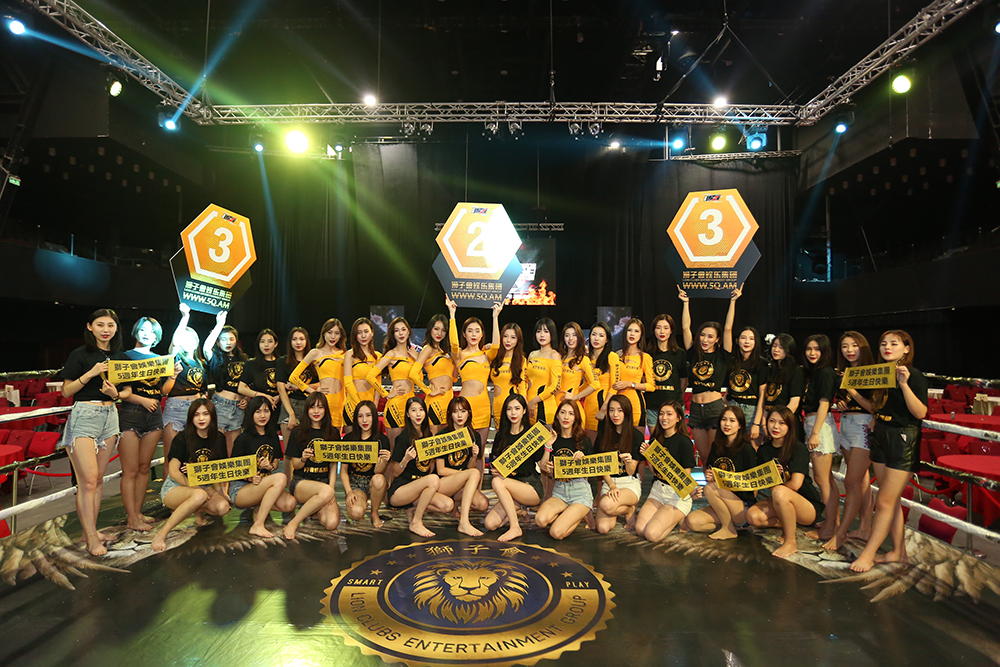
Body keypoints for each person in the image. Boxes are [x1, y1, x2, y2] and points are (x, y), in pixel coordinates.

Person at [850, 330, 928, 573]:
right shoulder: (880, 373)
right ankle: (898, 552)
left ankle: (869, 553)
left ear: (906, 348)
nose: (887, 347)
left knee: (884, 501)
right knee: (890, 501)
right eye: (883, 343)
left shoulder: (914, 375)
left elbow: (920, 413)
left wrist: (904, 385)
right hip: (881, 436)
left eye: (894, 343)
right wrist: (854, 394)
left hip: (903, 439)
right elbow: (877, 408)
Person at [60, 309, 129, 555]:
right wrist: (90, 373)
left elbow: (128, 391)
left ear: (116, 328)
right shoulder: (80, 354)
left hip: (110, 416)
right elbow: (66, 391)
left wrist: (116, 394)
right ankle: (91, 538)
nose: (105, 330)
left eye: (110, 325)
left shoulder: (121, 356)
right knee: (88, 481)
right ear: (90, 327)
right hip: (85, 416)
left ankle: (90, 531)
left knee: (98, 480)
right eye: (100, 325)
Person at [151, 398, 230, 551]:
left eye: (205, 414)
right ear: (191, 418)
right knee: (199, 495)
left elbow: (218, 471)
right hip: (176, 486)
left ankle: (198, 510)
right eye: (196, 415)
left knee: (222, 507)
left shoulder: (219, 438)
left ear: (212, 416)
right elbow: (174, 472)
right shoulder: (182, 438)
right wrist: (195, 486)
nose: (201, 418)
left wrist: (222, 492)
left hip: (203, 486)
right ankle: (161, 533)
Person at [823, 331, 877, 551]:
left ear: (863, 346)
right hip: (845, 424)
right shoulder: (842, 373)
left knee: (851, 482)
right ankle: (864, 528)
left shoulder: (873, 372)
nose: (849, 350)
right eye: (845, 346)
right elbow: (844, 400)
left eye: (854, 345)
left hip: (864, 426)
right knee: (861, 482)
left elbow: (874, 407)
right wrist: (841, 403)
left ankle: (841, 533)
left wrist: (852, 391)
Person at [747, 407, 824, 558]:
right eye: (772, 421)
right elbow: (762, 482)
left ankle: (790, 542)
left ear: (790, 426)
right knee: (752, 516)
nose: (775, 427)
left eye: (781, 423)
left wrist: (776, 483)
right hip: (780, 499)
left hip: (807, 507)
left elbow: (795, 484)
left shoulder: (798, 448)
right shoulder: (763, 450)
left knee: (779, 491)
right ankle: (787, 522)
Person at [679, 286, 738, 462]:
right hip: (696, 409)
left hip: (715, 408)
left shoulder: (722, 355)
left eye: (710, 336)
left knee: (716, 454)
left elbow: (728, 328)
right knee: (704, 456)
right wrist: (686, 303)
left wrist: (733, 301)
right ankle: (708, 482)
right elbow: (685, 327)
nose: (705, 339)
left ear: (717, 339)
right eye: (703, 335)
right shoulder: (694, 353)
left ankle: (718, 482)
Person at [117, 316, 165, 531]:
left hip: (154, 415)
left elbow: (161, 390)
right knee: (130, 470)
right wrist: (142, 400)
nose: (147, 334)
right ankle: (131, 518)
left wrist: (174, 375)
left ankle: (137, 512)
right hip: (131, 413)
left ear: (157, 337)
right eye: (143, 330)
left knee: (145, 467)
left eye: (152, 331)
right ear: (136, 331)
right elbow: (119, 391)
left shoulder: (160, 359)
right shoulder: (124, 357)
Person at [162, 304, 224, 464]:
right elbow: (175, 343)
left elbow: (203, 389)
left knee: (194, 455)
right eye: (184, 338)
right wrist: (185, 317)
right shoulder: (175, 358)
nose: (187, 342)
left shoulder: (200, 362)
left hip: (197, 410)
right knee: (172, 458)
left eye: (191, 338)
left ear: (197, 341)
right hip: (176, 408)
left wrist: (219, 324)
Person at [683, 406, 757, 540]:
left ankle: (728, 529)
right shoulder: (716, 446)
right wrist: (709, 476)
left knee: (710, 488)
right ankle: (733, 526)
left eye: (732, 421)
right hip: (722, 504)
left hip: (741, 506)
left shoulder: (747, 449)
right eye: (724, 420)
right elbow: (711, 472)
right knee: (692, 521)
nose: (727, 424)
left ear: (740, 425)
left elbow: (753, 485)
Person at [228, 397, 297, 538]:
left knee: (290, 503)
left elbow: (275, 463)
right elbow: (233, 470)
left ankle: (258, 505)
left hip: (263, 484)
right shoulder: (243, 438)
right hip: (241, 488)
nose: (262, 415)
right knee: (281, 478)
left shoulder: (272, 436)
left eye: (266, 411)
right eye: (258, 411)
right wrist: (249, 477)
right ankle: (258, 525)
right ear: (251, 413)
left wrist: (270, 466)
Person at [387, 396, 453, 537]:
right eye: (413, 410)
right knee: (433, 479)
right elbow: (395, 472)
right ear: (407, 414)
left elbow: (429, 466)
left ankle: (411, 508)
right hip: (401, 490)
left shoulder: (428, 435)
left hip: (420, 488)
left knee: (448, 505)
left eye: (421, 410)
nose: (418, 414)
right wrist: (405, 459)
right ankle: (416, 522)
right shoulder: (403, 438)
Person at [635, 400, 698, 542]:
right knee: (640, 529)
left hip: (676, 494)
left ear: (678, 418)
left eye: (669, 414)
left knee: (651, 534)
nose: (664, 418)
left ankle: (677, 517)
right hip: (658, 490)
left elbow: (686, 476)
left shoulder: (684, 442)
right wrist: (649, 457)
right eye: (661, 414)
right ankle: (668, 518)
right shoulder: (655, 439)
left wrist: (692, 491)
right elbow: (655, 472)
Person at [485, 394, 544, 542]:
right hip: (510, 490)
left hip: (530, 487)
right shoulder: (501, 435)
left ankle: (515, 527)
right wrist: (496, 470)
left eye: (517, 409)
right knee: (490, 524)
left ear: (524, 411)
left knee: (497, 482)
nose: (513, 413)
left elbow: (543, 465)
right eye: (509, 409)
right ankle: (520, 510)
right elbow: (495, 462)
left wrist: (548, 447)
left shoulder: (531, 435)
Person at [283, 392, 341, 540]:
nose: (316, 411)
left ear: (325, 410)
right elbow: (296, 466)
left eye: (320, 407)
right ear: (306, 409)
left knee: (331, 523)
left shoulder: (333, 433)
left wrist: (331, 490)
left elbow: (333, 466)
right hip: (302, 482)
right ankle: (293, 523)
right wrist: (303, 458)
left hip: (324, 485)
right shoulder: (298, 432)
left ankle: (314, 508)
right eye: (312, 407)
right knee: (325, 491)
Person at [536, 400, 594, 540]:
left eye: (571, 413)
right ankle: (570, 513)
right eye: (563, 413)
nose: (566, 417)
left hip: (580, 491)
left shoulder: (583, 440)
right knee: (540, 520)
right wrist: (548, 447)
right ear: (557, 416)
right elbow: (543, 467)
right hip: (559, 491)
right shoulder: (552, 438)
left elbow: (591, 470)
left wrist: (583, 459)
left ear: (575, 418)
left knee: (556, 533)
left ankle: (578, 514)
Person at [801, 334, 840, 541]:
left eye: (817, 349)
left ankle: (831, 527)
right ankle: (833, 522)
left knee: (822, 480)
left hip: (820, 425)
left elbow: (824, 403)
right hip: (814, 423)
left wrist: (815, 432)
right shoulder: (815, 372)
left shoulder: (825, 372)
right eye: (809, 349)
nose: (812, 353)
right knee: (826, 479)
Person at [434, 397, 490, 537]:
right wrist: (462, 475)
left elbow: (470, 467)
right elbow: (441, 470)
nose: (459, 416)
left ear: (469, 413)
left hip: (461, 482)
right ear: (450, 414)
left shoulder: (474, 435)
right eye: (455, 412)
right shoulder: (442, 435)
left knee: (483, 504)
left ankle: (456, 503)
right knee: (474, 473)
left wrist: (473, 457)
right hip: (444, 483)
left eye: (463, 411)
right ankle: (464, 522)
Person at [446, 298, 494, 446]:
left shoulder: (486, 354)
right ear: (464, 334)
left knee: (480, 451)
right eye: (470, 331)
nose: (473, 334)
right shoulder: (459, 354)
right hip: (466, 406)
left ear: (482, 334)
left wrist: (495, 316)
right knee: (464, 450)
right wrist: (452, 314)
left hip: (484, 406)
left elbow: (497, 346)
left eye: (477, 331)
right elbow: (454, 344)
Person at [594, 395, 644, 533]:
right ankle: (627, 509)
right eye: (611, 410)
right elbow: (601, 466)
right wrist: (611, 485)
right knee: (603, 528)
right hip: (609, 482)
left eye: (620, 410)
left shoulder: (636, 436)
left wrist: (628, 462)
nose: (615, 415)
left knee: (606, 505)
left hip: (629, 483)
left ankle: (627, 508)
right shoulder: (603, 434)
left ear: (627, 412)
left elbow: (631, 471)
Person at [367, 317, 417, 450]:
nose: (401, 333)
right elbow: (370, 376)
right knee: (394, 450)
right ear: (393, 334)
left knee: (410, 448)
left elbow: (421, 378)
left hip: (411, 406)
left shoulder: (414, 354)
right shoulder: (391, 354)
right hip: (395, 406)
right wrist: (386, 394)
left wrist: (418, 359)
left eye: (403, 329)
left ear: (408, 331)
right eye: (396, 330)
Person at [341, 400, 392, 527]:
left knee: (379, 479)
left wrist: (384, 460)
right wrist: (349, 492)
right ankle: (362, 503)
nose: (364, 420)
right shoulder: (349, 439)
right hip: (356, 482)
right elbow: (343, 471)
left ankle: (374, 512)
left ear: (374, 417)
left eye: (368, 415)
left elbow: (378, 471)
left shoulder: (382, 440)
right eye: (360, 416)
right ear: (356, 419)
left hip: (374, 481)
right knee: (356, 513)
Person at [206, 320, 248, 457]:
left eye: (231, 339)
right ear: (218, 342)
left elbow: (248, 383)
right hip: (221, 405)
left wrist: (246, 399)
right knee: (217, 447)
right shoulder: (215, 357)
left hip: (239, 407)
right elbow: (206, 348)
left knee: (232, 450)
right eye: (223, 339)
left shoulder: (243, 360)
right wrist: (218, 325)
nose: (228, 342)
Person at [409, 314, 455, 434]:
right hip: (436, 401)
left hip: (449, 400)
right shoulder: (428, 348)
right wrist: (429, 391)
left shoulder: (443, 351)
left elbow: (453, 378)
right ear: (430, 329)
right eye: (436, 329)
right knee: (434, 440)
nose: (439, 333)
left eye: (443, 330)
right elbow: (413, 373)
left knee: (445, 439)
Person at [277, 326, 318, 448]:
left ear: (307, 341)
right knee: (289, 449)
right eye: (294, 339)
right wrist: (291, 414)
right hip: (290, 404)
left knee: (308, 447)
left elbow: (321, 383)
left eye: (301, 339)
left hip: (310, 405)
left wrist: (299, 386)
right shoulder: (283, 362)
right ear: (290, 342)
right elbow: (281, 389)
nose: (298, 342)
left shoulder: (314, 361)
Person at [487, 303, 526, 430]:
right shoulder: (495, 357)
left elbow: (522, 387)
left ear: (518, 340)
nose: (508, 341)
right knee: (501, 437)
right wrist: (495, 316)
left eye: (513, 337)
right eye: (505, 336)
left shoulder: (521, 360)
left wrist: (523, 409)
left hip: (513, 408)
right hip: (497, 406)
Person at [726, 326, 767, 445]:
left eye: (751, 339)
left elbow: (762, 395)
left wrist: (756, 423)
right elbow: (729, 388)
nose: (747, 342)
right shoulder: (732, 362)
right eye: (743, 338)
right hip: (734, 407)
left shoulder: (761, 364)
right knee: (732, 448)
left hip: (752, 410)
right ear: (737, 340)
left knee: (752, 449)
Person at [646, 314, 688, 427]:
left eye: (666, 328)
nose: (662, 331)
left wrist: (675, 396)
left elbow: (684, 381)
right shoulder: (647, 353)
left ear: (671, 331)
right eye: (658, 328)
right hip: (652, 406)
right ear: (653, 330)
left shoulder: (679, 353)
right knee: (656, 438)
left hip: (674, 406)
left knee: (675, 437)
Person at [611, 318, 654, 427]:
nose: (632, 334)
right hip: (616, 404)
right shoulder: (616, 355)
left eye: (636, 331)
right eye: (629, 330)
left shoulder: (645, 357)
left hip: (635, 404)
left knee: (635, 436)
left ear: (641, 335)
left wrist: (630, 384)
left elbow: (651, 386)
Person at [343, 317, 382, 433]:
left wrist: (373, 407)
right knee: (352, 442)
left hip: (370, 408)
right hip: (352, 406)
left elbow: (378, 385)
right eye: (359, 333)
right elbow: (348, 382)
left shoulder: (378, 356)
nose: (363, 336)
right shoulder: (350, 354)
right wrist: (359, 405)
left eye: (366, 331)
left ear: (372, 333)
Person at [583, 322, 620, 444]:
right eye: (594, 334)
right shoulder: (586, 358)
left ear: (607, 340)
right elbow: (585, 385)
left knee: (602, 445)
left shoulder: (612, 356)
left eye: (601, 335)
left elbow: (614, 387)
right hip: (587, 406)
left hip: (603, 406)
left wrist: (604, 409)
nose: (596, 338)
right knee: (588, 444)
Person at [238, 329, 282, 430]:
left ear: (276, 344)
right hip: (257, 409)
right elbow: (241, 388)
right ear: (258, 344)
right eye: (262, 342)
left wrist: (279, 397)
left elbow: (288, 387)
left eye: (270, 341)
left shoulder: (282, 363)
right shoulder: (251, 364)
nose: (266, 345)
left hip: (277, 408)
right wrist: (263, 395)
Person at [525, 318, 562, 425]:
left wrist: (534, 401)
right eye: (538, 331)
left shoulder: (554, 356)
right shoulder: (532, 355)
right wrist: (526, 400)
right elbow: (526, 380)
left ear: (552, 334)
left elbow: (555, 386)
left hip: (545, 408)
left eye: (546, 331)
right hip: (528, 406)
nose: (542, 335)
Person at [764, 333, 804, 415]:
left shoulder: (796, 371)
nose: (776, 350)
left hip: (786, 418)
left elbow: (794, 403)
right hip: (770, 418)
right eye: (774, 346)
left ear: (789, 349)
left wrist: (780, 419)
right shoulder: (771, 369)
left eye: (781, 347)